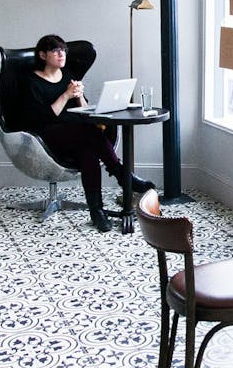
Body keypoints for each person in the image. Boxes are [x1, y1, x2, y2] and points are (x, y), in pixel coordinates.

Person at [13, 34, 154, 232]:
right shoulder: (33, 81)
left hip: (78, 132)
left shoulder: (69, 75)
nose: (61, 54)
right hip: (49, 135)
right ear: (43, 55)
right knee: (90, 133)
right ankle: (121, 174)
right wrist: (66, 95)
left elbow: (85, 110)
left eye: (63, 50)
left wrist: (78, 97)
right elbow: (42, 119)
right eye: (55, 51)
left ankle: (97, 213)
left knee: (88, 153)